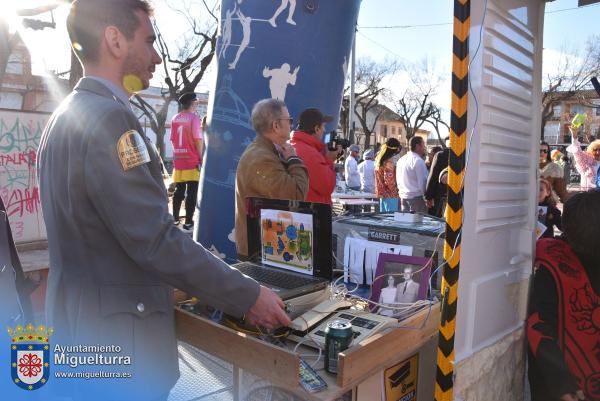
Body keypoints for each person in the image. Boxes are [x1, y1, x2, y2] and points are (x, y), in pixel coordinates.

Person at [37, 1, 290, 399]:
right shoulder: (110, 119)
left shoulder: (65, 114)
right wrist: (248, 294)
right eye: (149, 40)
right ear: (115, 40)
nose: (157, 56)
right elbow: (154, 239)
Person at [527, 189, 600, 401]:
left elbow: (538, 324)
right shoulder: (553, 265)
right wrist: (561, 382)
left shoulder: (549, 261)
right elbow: (539, 325)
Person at [235, 98, 309, 259]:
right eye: (289, 120)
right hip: (260, 250)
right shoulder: (261, 158)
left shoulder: (267, 152)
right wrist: (293, 160)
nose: (292, 124)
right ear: (276, 125)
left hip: (266, 245)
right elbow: (296, 195)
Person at [289, 108, 339, 204]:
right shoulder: (310, 154)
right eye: (323, 126)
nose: (324, 130)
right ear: (316, 128)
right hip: (310, 213)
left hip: (296, 210)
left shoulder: (291, 145)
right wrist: (329, 159)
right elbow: (326, 186)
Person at [170, 92, 203, 232]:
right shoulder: (194, 118)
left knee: (179, 190)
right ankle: (188, 222)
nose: (197, 104)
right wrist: (200, 157)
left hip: (178, 159)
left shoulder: (175, 118)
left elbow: (172, 139)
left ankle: (174, 218)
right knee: (192, 192)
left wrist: (177, 154)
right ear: (193, 103)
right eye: (196, 102)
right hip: (191, 159)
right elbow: (198, 139)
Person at [396, 136, 428, 213]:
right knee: (419, 223)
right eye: (423, 144)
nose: (424, 147)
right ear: (417, 146)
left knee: (406, 223)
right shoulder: (418, 161)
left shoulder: (401, 160)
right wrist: (426, 198)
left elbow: (398, 180)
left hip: (403, 197)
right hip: (416, 198)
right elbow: (422, 183)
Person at [566, 125, 600, 191]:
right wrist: (574, 136)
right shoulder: (586, 162)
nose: (598, 152)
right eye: (595, 150)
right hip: (587, 195)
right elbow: (577, 151)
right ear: (591, 150)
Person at [374, 137, 401, 212]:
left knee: (384, 218)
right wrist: (396, 189)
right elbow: (389, 181)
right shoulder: (389, 162)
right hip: (390, 195)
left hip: (382, 194)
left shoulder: (380, 160)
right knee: (390, 219)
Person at [425, 137, 450, 217]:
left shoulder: (440, 155)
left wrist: (428, 197)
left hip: (441, 197)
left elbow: (433, 177)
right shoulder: (467, 155)